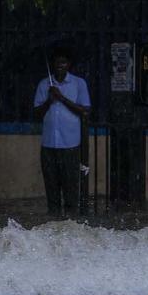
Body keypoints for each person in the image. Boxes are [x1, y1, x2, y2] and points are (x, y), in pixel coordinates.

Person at [32, 45, 90, 217]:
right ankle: (54, 225)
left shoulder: (79, 84)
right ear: (53, 64)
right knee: (52, 191)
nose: (60, 65)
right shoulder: (44, 85)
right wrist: (50, 100)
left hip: (70, 146)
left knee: (71, 191)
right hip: (49, 145)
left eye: (63, 62)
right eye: (57, 62)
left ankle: (70, 227)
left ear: (69, 64)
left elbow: (85, 111)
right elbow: (36, 114)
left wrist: (62, 98)